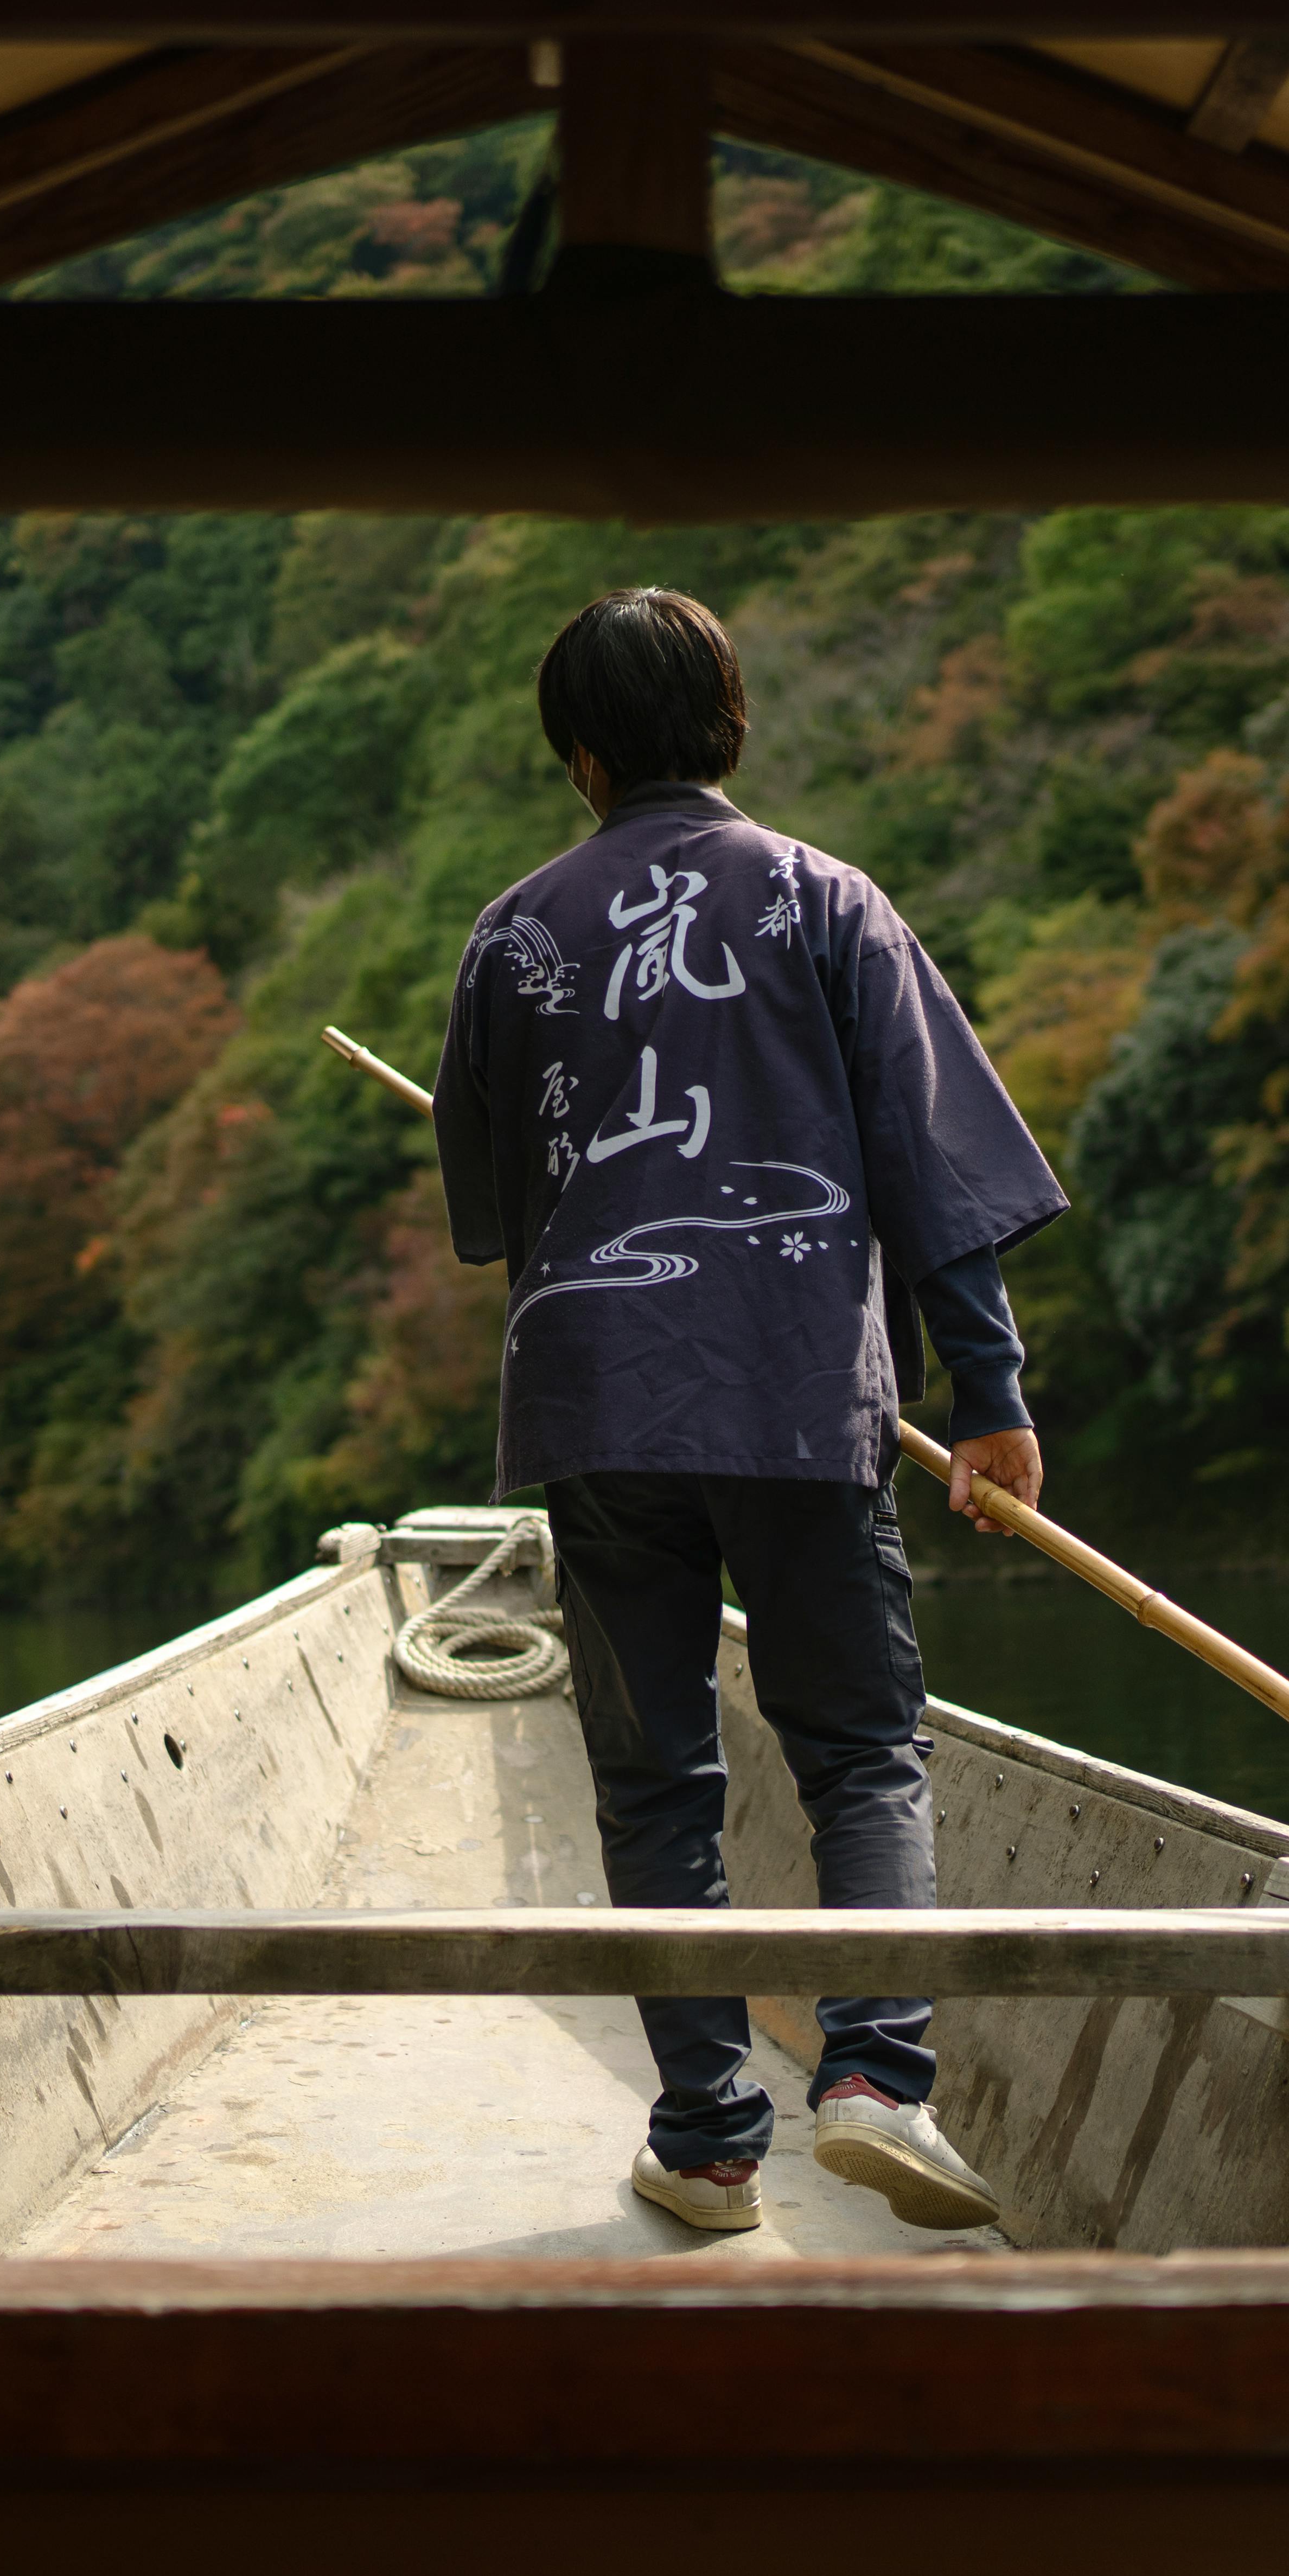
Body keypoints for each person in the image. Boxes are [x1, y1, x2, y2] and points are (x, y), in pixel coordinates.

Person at [432, 585, 1065, 2235]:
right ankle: (873, 2076)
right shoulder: (822, 899)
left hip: (591, 1405)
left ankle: (709, 2139)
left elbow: (493, 1207)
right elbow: (937, 1174)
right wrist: (991, 1396)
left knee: (657, 1783)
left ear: (578, 758)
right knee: (860, 1745)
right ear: (734, 726)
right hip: (792, 1392)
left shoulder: (509, 935)